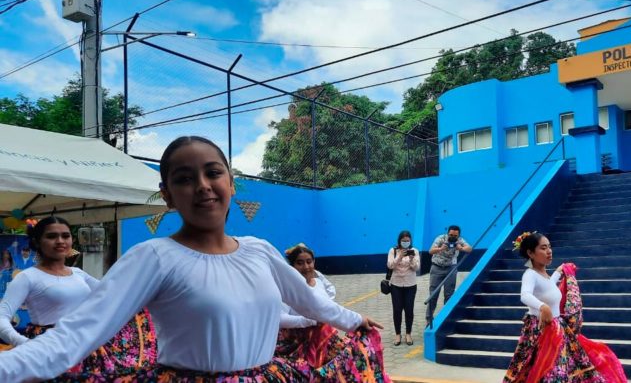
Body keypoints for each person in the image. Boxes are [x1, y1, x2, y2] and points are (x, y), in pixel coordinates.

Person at [0, 135, 383, 382]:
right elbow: (76, 335)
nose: (202, 186)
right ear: (166, 195)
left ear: (231, 183)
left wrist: (353, 320)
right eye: (184, 178)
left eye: (213, 172)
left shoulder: (260, 250)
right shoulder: (153, 257)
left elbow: (309, 301)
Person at [0, 217, 157, 376]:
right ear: (37, 241)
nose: (60, 241)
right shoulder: (27, 277)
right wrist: (25, 343)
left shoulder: (78, 273)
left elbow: (114, 294)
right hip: (50, 348)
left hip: (85, 346)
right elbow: (1, 317)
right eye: (52, 236)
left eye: (65, 236)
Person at [503, 231, 625, 383]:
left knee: (561, 370)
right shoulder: (530, 274)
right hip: (541, 332)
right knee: (549, 370)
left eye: (549, 247)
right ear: (530, 253)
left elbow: (548, 287)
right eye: (543, 248)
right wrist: (543, 307)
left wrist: (559, 272)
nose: (549, 251)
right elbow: (525, 295)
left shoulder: (545, 276)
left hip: (557, 330)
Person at [276, 243, 391, 382]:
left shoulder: (319, 283)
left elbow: (330, 305)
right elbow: (280, 319)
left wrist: (358, 320)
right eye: (300, 263)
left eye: (309, 261)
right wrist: (309, 321)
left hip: (327, 343)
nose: (306, 267)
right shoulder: (286, 291)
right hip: (300, 347)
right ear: (292, 266)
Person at [427, 225, 472, 324]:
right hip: (436, 267)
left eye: (455, 236)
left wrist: (461, 248)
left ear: (458, 235)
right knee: (433, 294)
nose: (452, 237)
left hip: (451, 268)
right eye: (450, 235)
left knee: (449, 295)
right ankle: (429, 319)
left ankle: (446, 318)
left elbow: (470, 249)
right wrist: (440, 248)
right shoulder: (440, 238)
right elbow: (430, 251)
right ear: (447, 233)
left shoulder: (460, 240)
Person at [387, 230, 420, 346]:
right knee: (397, 310)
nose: (405, 242)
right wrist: (399, 256)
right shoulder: (393, 250)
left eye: (407, 241)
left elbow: (417, 268)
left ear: (410, 241)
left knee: (409, 310)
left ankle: (408, 333)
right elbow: (390, 265)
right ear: (399, 241)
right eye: (403, 241)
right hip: (396, 284)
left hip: (410, 285)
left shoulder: (414, 251)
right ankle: (397, 334)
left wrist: (411, 259)